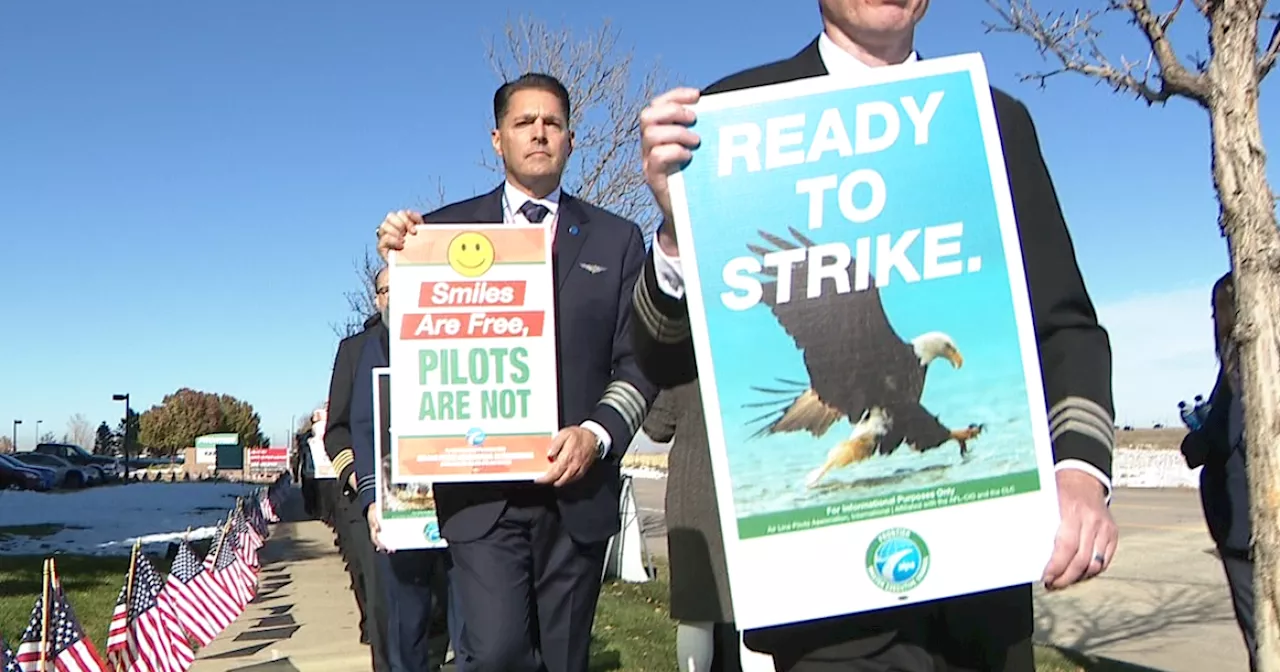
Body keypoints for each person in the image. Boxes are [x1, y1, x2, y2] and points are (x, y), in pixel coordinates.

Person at [632, 2, 1119, 670]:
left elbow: (1064, 323)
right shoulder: (730, 122)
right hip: (824, 604)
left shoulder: (991, 122)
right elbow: (659, 353)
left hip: (983, 593)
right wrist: (677, 230)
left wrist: (1081, 474)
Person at [374, 72, 659, 672]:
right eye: (524, 123)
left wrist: (597, 435)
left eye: (552, 123)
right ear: (497, 139)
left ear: (571, 140)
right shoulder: (442, 233)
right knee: (498, 652)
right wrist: (401, 262)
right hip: (481, 496)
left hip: (576, 493)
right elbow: (416, 340)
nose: (539, 134)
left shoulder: (619, 239)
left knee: (563, 660)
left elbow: (636, 364)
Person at [350, 282, 461, 672]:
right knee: (405, 631)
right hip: (403, 511)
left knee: (474, 632)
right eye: (385, 289)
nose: (394, 295)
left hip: (469, 509)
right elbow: (362, 427)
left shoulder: (462, 330)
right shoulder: (372, 346)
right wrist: (370, 500)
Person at [643, 384, 748, 672]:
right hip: (755, 483)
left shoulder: (687, 354)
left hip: (695, 492)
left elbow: (657, 427)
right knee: (756, 613)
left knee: (696, 613)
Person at [1181, 271, 1256, 670]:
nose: (1213, 319)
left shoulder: (1243, 361)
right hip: (1242, 525)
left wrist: (1197, 439)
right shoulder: (1243, 363)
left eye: (1216, 310)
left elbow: (1224, 436)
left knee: (1262, 634)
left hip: (1244, 526)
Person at [324, 267, 392, 670]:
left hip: (439, 503)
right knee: (384, 611)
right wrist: (360, 481)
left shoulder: (439, 342)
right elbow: (337, 431)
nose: (393, 296)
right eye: (385, 290)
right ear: (376, 297)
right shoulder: (355, 350)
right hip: (374, 504)